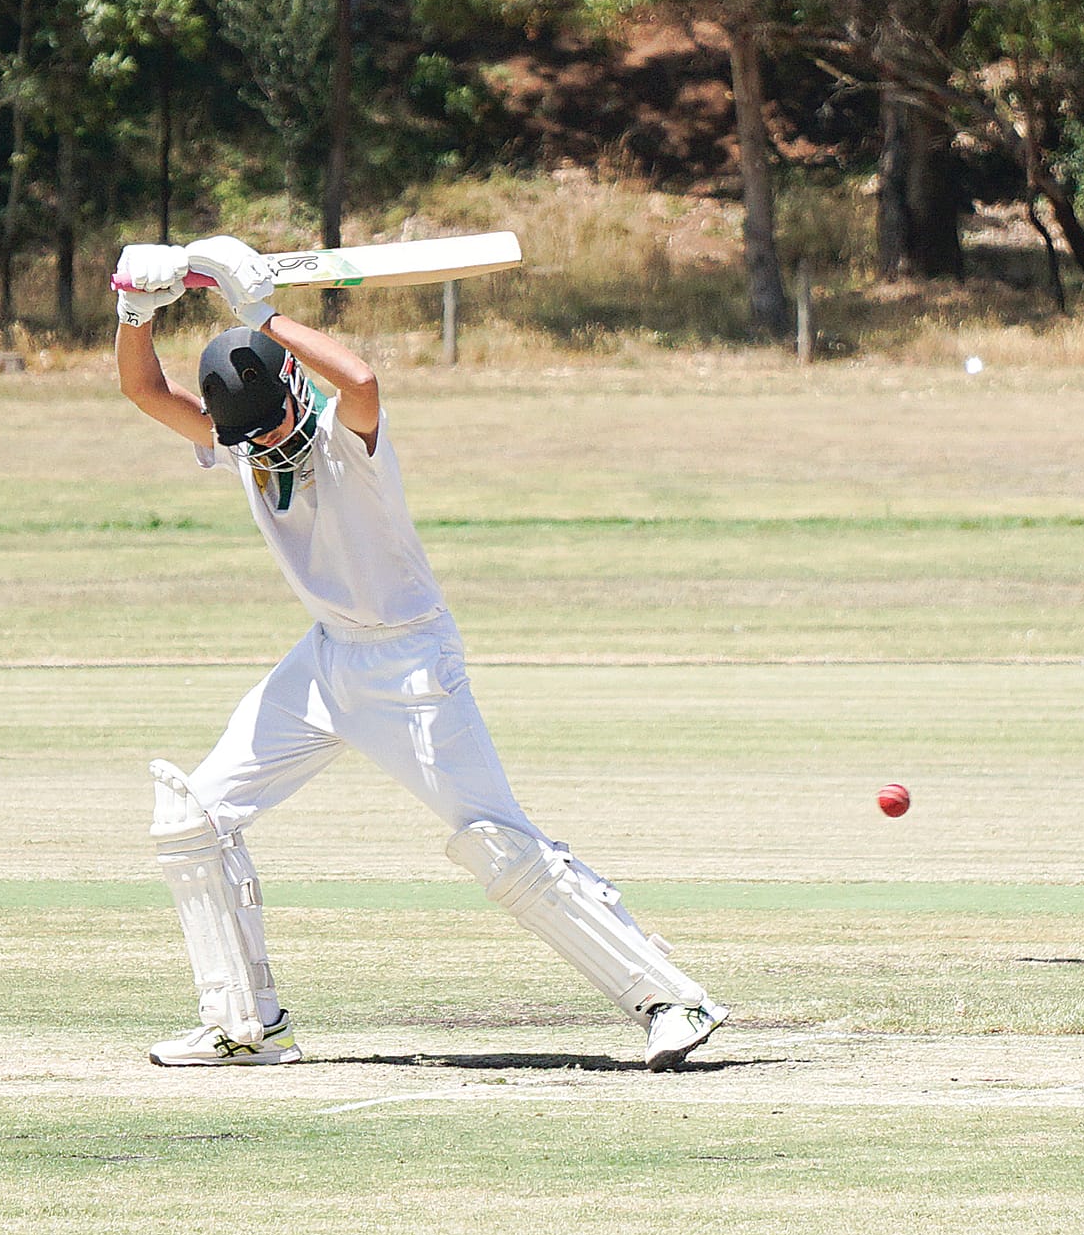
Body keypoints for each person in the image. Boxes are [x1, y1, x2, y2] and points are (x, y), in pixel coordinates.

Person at [112, 237, 727, 1070]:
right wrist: (132, 308)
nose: (268, 444)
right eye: (249, 435)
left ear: (296, 391)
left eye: (277, 422)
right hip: (326, 662)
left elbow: (362, 380)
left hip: (411, 668)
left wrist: (261, 310)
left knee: (499, 843)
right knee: (196, 818)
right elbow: (143, 388)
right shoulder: (243, 442)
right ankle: (244, 1025)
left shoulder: (344, 442)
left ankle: (671, 999)